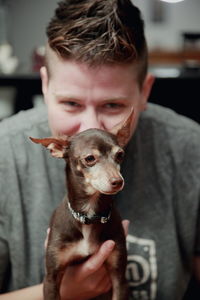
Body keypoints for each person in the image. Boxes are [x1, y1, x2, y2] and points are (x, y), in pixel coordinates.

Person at [0, 0, 200, 299]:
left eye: (113, 105)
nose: (89, 128)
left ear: (145, 90)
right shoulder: (5, 154)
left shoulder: (190, 148)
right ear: (44, 86)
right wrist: (59, 291)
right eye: (71, 103)